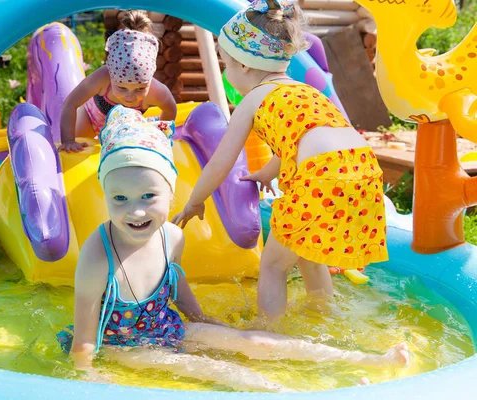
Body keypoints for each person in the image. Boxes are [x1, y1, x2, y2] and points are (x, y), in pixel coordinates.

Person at [57, 106, 408, 392]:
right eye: (119, 199)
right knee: (217, 371)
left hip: (167, 327)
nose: (135, 211)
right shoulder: (97, 255)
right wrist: (89, 378)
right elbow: (85, 341)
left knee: (258, 342)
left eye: (148, 196)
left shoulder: (171, 237)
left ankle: (373, 361)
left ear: (171, 193)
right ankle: (298, 394)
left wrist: (204, 322)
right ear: (105, 196)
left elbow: (175, 285)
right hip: (126, 347)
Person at [172, 0, 389, 323]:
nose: (227, 72)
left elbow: (221, 162)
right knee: (308, 254)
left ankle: (266, 334)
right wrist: (266, 173)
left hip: (321, 175)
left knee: (273, 265)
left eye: (226, 64)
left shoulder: (253, 99)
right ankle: (322, 317)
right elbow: (299, 141)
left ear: (244, 66)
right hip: (364, 169)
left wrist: (194, 201)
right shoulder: (305, 92)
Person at [58, 10, 177, 152]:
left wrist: (162, 135)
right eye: (122, 88)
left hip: (125, 128)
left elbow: (170, 108)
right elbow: (70, 103)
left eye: (140, 89)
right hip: (91, 120)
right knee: (79, 149)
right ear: (111, 75)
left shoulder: (156, 91)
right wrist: (68, 141)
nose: (130, 96)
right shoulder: (102, 78)